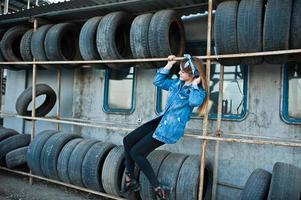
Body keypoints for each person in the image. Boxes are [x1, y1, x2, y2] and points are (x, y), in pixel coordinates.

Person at [121, 54, 208, 199]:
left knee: (137, 152)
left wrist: (194, 85)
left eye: (182, 71)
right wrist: (168, 64)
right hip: (160, 121)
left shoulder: (197, 92)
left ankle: (157, 187)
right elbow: (158, 81)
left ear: (194, 75)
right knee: (127, 140)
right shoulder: (176, 84)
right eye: (179, 69)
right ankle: (129, 178)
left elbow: (193, 102)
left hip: (169, 129)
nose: (179, 72)